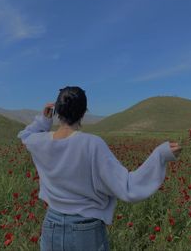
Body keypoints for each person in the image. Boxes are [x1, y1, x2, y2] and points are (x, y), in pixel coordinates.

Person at [17, 86, 182, 251]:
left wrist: (43, 120)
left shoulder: (39, 142)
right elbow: (128, 186)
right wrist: (161, 155)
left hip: (51, 224)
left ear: (57, 111)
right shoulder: (92, 144)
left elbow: (25, 135)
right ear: (84, 112)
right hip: (85, 229)